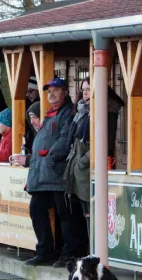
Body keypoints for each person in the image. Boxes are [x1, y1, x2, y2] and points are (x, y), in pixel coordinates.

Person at [22, 78, 86, 268]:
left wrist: (49, 157)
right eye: (49, 91)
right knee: (37, 209)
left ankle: (70, 255)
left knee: (66, 215)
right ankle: (45, 251)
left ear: (65, 92)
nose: (51, 94)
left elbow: (65, 140)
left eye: (55, 90)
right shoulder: (50, 113)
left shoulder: (67, 113)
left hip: (58, 173)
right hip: (44, 174)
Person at [63, 79, 93, 235]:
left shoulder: (97, 113)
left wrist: (82, 162)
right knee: (85, 214)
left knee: (91, 215)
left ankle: (95, 253)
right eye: (83, 89)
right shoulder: (80, 113)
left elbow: (101, 144)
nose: (85, 92)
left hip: (86, 172)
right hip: (78, 171)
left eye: (89, 89)